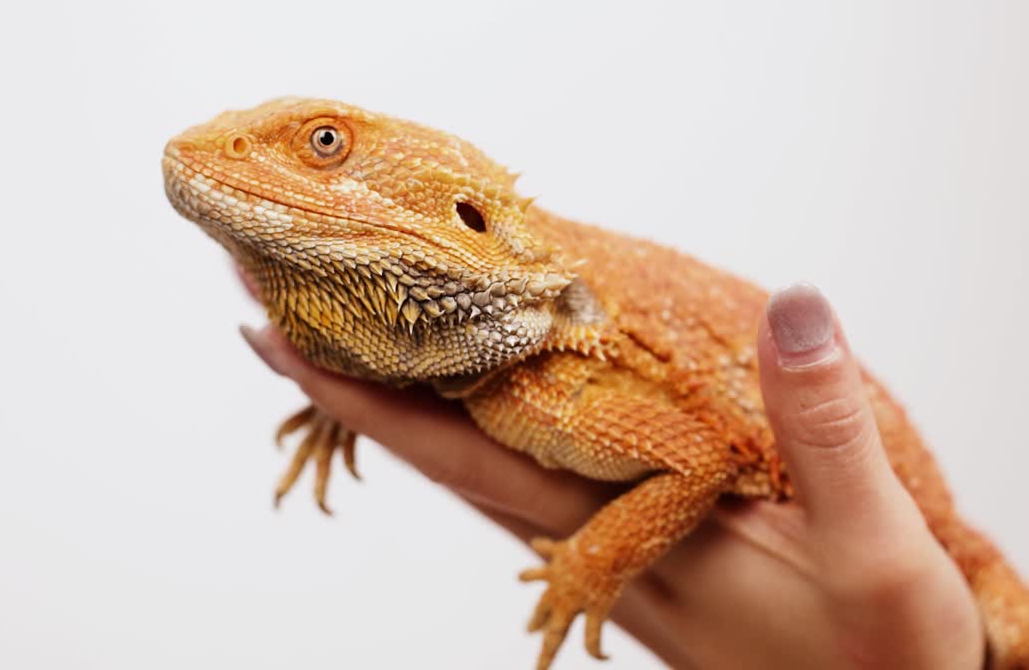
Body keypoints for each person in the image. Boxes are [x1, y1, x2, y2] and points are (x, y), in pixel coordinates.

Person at [240, 283, 985, 669]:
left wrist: (593, 565)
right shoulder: (498, 358)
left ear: (466, 212)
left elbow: (696, 460)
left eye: (326, 145)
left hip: (971, 591)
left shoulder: (547, 382)